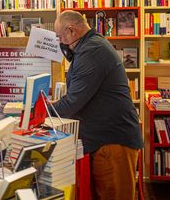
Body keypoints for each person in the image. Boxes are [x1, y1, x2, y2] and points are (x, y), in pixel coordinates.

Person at [52, 10, 143, 200]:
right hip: (105, 139)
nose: (60, 42)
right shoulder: (91, 45)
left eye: (60, 37)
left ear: (72, 31)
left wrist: (43, 111)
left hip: (112, 141)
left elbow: (74, 100)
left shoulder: (92, 51)